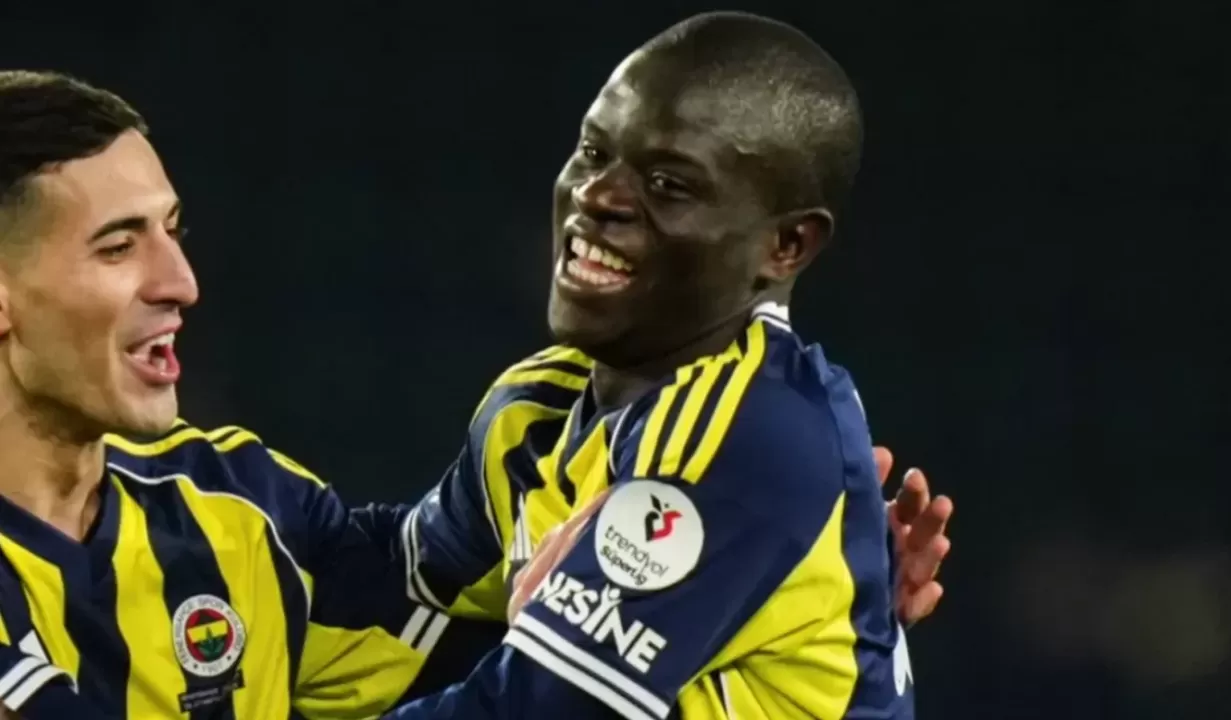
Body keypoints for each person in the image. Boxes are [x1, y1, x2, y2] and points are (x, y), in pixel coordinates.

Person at [0, 66, 949, 718]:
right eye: (118, 246)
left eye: (173, 232)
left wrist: (781, 601)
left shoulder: (228, 510)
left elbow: (442, 621)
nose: (180, 282)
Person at [386, 11, 939, 720]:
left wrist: (546, 653)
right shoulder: (537, 411)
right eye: (593, 152)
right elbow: (383, 588)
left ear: (787, 245)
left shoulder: (754, 436)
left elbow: (532, 709)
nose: (596, 195)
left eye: (669, 184)